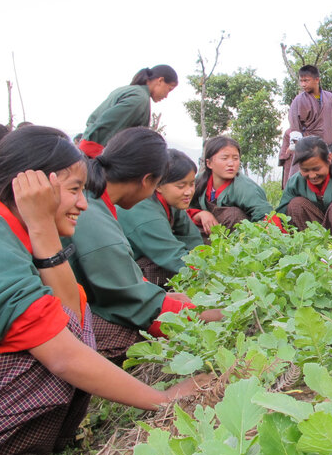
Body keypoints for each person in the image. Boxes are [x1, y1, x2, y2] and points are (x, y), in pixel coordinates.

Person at [0, 126, 203, 455]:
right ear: (31, 189)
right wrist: (162, 398)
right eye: (74, 190)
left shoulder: (3, 223)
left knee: (68, 321)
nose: (83, 203)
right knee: (48, 349)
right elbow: (64, 349)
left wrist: (42, 230)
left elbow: (72, 311)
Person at [68, 128, 220, 361]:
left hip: (72, 294)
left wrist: (163, 296)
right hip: (50, 310)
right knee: (137, 339)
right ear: (148, 181)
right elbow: (136, 302)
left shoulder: (95, 199)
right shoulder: (93, 217)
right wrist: (202, 314)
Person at [117, 150, 203, 288]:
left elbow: (192, 238)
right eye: (181, 186)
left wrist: (206, 258)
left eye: (192, 184)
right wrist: (214, 274)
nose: (188, 192)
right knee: (165, 269)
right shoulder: (144, 213)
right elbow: (174, 256)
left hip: (151, 252)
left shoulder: (172, 201)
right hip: (120, 270)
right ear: (158, 185)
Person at [79, 65, 178, 158]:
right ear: (160, 80)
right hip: (95, 155)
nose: (166, 96)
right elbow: (107, 127)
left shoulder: (128, 90)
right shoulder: (139, 99)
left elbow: (93, 120)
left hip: (87, 149)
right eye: (169, 89)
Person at [190, 136, 273, 235]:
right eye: (224, 158)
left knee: (233, 214)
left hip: (238, 237)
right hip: (208, 231)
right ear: (209, 163)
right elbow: (181, 208)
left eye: (235, 158)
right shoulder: (198, 181)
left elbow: (265, 215)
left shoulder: (245, 187)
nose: (231, 164)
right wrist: (200, 214)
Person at [287, 65, 332, 146]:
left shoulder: (329, 97)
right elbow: (295, 128)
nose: (303, 84)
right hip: (309, 147)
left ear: (317, 80)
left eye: (306, 81)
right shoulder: (298, 100)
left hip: (329, 147)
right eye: (301, 81)